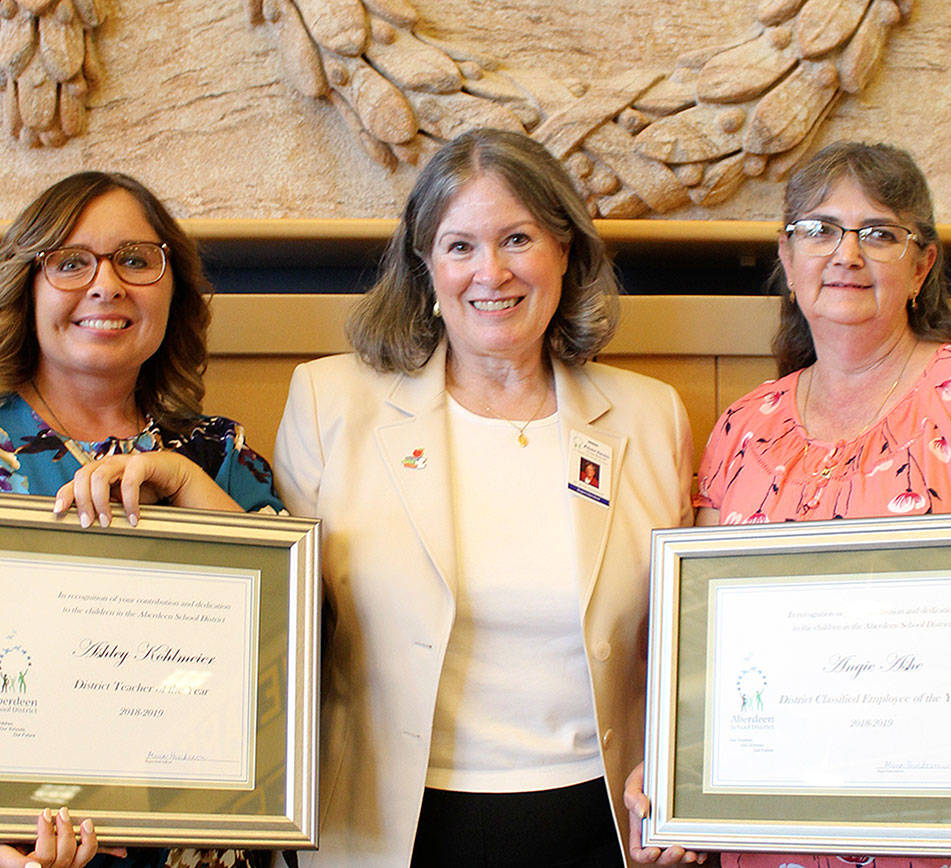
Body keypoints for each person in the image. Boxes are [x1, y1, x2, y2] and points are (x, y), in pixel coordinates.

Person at [624, 142, 951, 868]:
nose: (845, 254)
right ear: (787, 264)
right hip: (773, 842)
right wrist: (675, 774)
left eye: (879, 233)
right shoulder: (741, 432)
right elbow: (705, 651)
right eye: (818, 230)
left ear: (921, 267)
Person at [0, 171, 283, 868]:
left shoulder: (217, 456)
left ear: (172, 286)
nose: (107, 286)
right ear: (26, 287)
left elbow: (297, 637)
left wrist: (184, 483)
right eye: (70, 262)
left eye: (135, 259)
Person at [270, 127, 693, 867]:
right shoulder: (329, 403)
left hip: (602, 824)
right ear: (426, 266)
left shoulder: (651, 416)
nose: (490, 272)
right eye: (460, 245)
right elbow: (276, 626)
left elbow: (687, 643)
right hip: (390, 829)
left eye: (518, 239)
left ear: (565, 251)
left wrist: (685, 783)